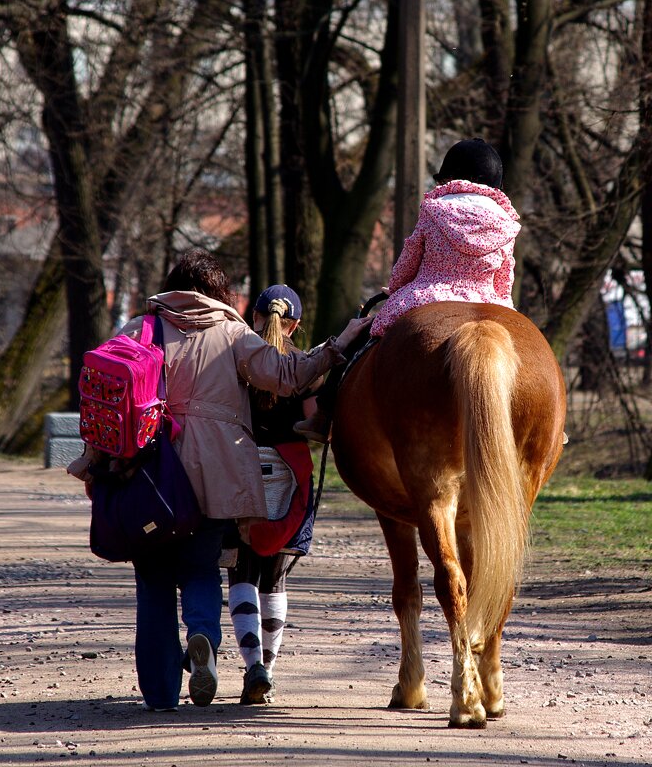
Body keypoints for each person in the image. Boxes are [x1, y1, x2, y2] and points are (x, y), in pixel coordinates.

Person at [71, 249, 371, 711]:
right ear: (220, 294)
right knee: (199, 568)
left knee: (152, 581)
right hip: (214, 477)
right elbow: (290, 375)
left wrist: (93, 464)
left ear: (173, 285)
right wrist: (339, 344)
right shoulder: (234, 335)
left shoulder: (140, 329)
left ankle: (160, 692)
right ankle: (203, 638)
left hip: (147, 476)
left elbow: (107, 400)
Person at [295, 137, 521, 443]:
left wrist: (398, 287)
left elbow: (409, 258)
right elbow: (504, 277)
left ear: (453, 177)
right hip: (489, 300)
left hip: (430, 292)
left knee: (363, 336)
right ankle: (548, 422)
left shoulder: (435, 209)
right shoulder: (506, 222)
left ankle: (323, 416)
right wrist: (502, 305)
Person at [226, 284, 319, 705]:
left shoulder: (236, 359)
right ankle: (269, 664)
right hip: (288, 473)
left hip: (241, 469)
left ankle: (252, 668)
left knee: (241, 573)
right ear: (294, 324)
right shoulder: (304, 366)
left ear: (255, 317)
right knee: (275, 577)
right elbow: (315, 425)